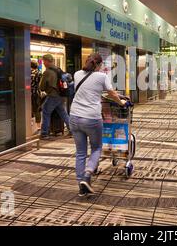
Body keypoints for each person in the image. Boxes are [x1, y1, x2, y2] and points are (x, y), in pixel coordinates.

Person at [70, 53, 127, 196]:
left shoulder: (77, 74)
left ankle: (81, 185)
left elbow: (88, 90)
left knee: (81, 152)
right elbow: (112, 94)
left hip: (74, 117)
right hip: (91, 118)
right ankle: (87, 175)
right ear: (100, 64)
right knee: (96, 148)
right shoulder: (102, 77)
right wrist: (122, 102)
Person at [39, 54, 70, 140]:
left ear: (47, 61)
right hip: (61, 95)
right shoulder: (58, 69)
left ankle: (44, 134)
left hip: (53, 96)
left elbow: (41, 87)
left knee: (45, 112)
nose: (43, 63)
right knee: (63, 113)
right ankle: (72, 130)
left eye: (44, 61)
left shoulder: (47, 72)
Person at [31, 61, 43, 134]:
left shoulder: (26, 72)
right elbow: (40, 85)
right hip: (36, 94)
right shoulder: (39, 73)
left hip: (27, 94)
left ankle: (29, 124)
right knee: (37, 110)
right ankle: (38, 127)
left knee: (29, 109)